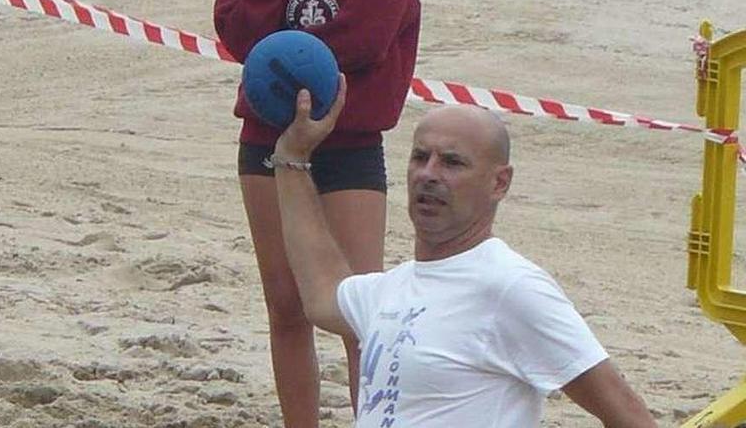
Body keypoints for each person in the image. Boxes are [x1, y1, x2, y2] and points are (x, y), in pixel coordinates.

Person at [270, 78, 659, 427]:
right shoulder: (392, 289)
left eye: (452, 162)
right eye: (420, 157)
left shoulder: (511, 287)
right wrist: (292, 159)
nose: (429, 174)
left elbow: (627, 415)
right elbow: (323, 293)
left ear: (499, 183)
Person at [214, 0, 420, 425]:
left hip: (348, 139)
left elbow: (369, 36)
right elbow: (239, 35)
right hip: (269, 136)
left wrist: (286, 61)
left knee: (360, 311)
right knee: (286, 307)